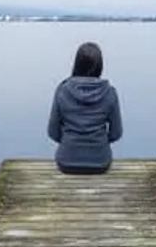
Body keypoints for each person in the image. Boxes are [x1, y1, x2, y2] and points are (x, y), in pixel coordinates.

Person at [47, 41, 123, 174]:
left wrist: (68, 142)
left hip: (66, 162)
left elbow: (53, 132)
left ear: (77, 63)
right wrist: (100, 142)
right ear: (100, 66)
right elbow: (116, 133)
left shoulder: (62, 90)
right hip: (101, 162)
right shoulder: (110, 92)